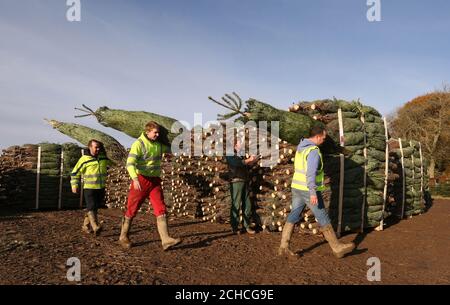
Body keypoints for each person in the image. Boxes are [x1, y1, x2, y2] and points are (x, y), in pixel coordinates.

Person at [278, 124, 355, 258]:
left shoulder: (301, 147)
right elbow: (310, 173)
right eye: (324, 138)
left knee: (295, 213)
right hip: (308, 190)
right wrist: (313, 192)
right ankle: (337, 248)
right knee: (322, 216)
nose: (324, 140)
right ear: (318, 137)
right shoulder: (313, 151)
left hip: (297, 187)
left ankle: (283, 247)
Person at [118, 121, 181, 250]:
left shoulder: (158, 145)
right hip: (141, 180)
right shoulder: (138, 144)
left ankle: (165, 239)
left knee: (160, 208)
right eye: (155, 132)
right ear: (147, 132)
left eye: (158, 132)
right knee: (132, 209)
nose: (157, 135)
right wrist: (134, 179)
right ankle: (123, 236)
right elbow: (130, 164)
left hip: (155, 181)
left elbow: (170, 150)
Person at [71, 139, 110, 236]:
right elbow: (75, 173)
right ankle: (95, 226)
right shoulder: (84, 159)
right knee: (91, 206)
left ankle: (85, 226)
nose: (98, 149)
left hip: (101, 187)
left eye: (99, 147)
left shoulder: (103, 158)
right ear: (90, 147)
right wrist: (74, 185)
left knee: (94, 207)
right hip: (89, 187)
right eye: (95, 147)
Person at [225, 138, 259, 234]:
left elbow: (246, 165)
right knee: (236, 204)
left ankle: (246, 226)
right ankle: (234, 227)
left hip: (245, 181)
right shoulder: (230, 153)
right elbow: (236, 163)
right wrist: (248, 160)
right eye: (240, 143)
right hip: (236, 181)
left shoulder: (241, 155)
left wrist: (253, 160)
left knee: (247, 204)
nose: (242, 144)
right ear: (235, 145)